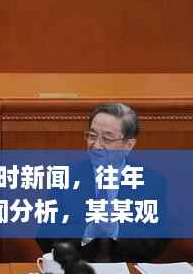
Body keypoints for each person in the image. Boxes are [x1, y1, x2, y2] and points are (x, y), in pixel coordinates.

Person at [37, 103, 169, 262]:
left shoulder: (151, 182)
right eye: (92, 136)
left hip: (128, 271)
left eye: (107, 138)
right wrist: (88, 232)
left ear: (128, 145)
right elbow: (45, 237)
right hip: (77, 269)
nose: (97, 145)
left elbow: (155, 243)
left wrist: (115, 230)